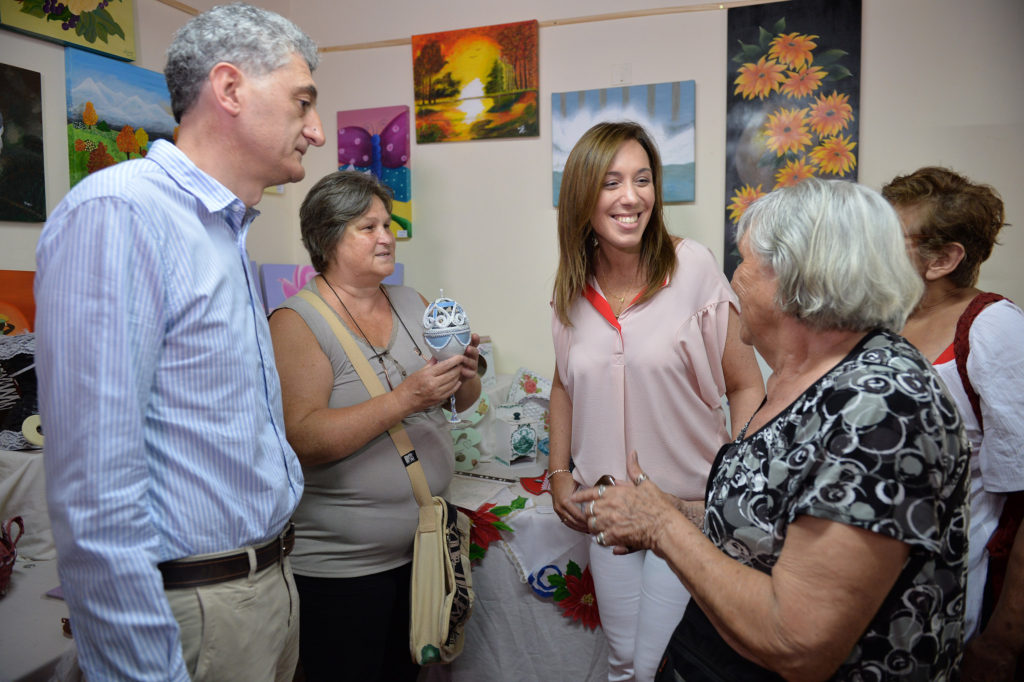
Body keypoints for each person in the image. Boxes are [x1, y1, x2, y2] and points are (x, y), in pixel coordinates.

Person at [574, 177, 970, 681]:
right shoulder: (797, 377)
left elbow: (796, 640)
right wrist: (672, 509)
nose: (734, 280)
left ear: (795, 280)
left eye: (744, 263)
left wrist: (661, 525)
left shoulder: (881, 406)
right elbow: (766, 522)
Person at [34, 4, 325, 680]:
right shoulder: (121, 213)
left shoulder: (223, 231)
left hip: (265, 592)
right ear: (229, 90)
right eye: (301, 102)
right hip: (197, 611)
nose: (314, 129)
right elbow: (95, 496)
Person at [548, 121, 765, 681]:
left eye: (642, 180)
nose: (631, 197)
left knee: (661, 665)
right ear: (582, 195)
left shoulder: (692, 267)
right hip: (609, 515)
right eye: (612, 181)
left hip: (687, 511)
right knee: (624, 662)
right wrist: (558, 475)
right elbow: (564, 386)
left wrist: (731, 482)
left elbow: (746, 384)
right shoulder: (571, 287)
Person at [268, 170, 481, 681]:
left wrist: (466, 374)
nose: (386, 236)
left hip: (422, 554)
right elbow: (301, 438)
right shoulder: (297, 322)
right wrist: (406, 398)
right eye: (368, 227)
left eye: (387, 223)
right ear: (327, 238)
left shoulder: (413, 303)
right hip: (342, 572)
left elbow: (461, 402)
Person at [882, 166, 1024, 681]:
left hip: (952, 596)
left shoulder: (993, 330)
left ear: (942, 259)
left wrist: (1005, 640)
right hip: (878, 595)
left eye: (887, 235)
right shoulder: (885, 318)